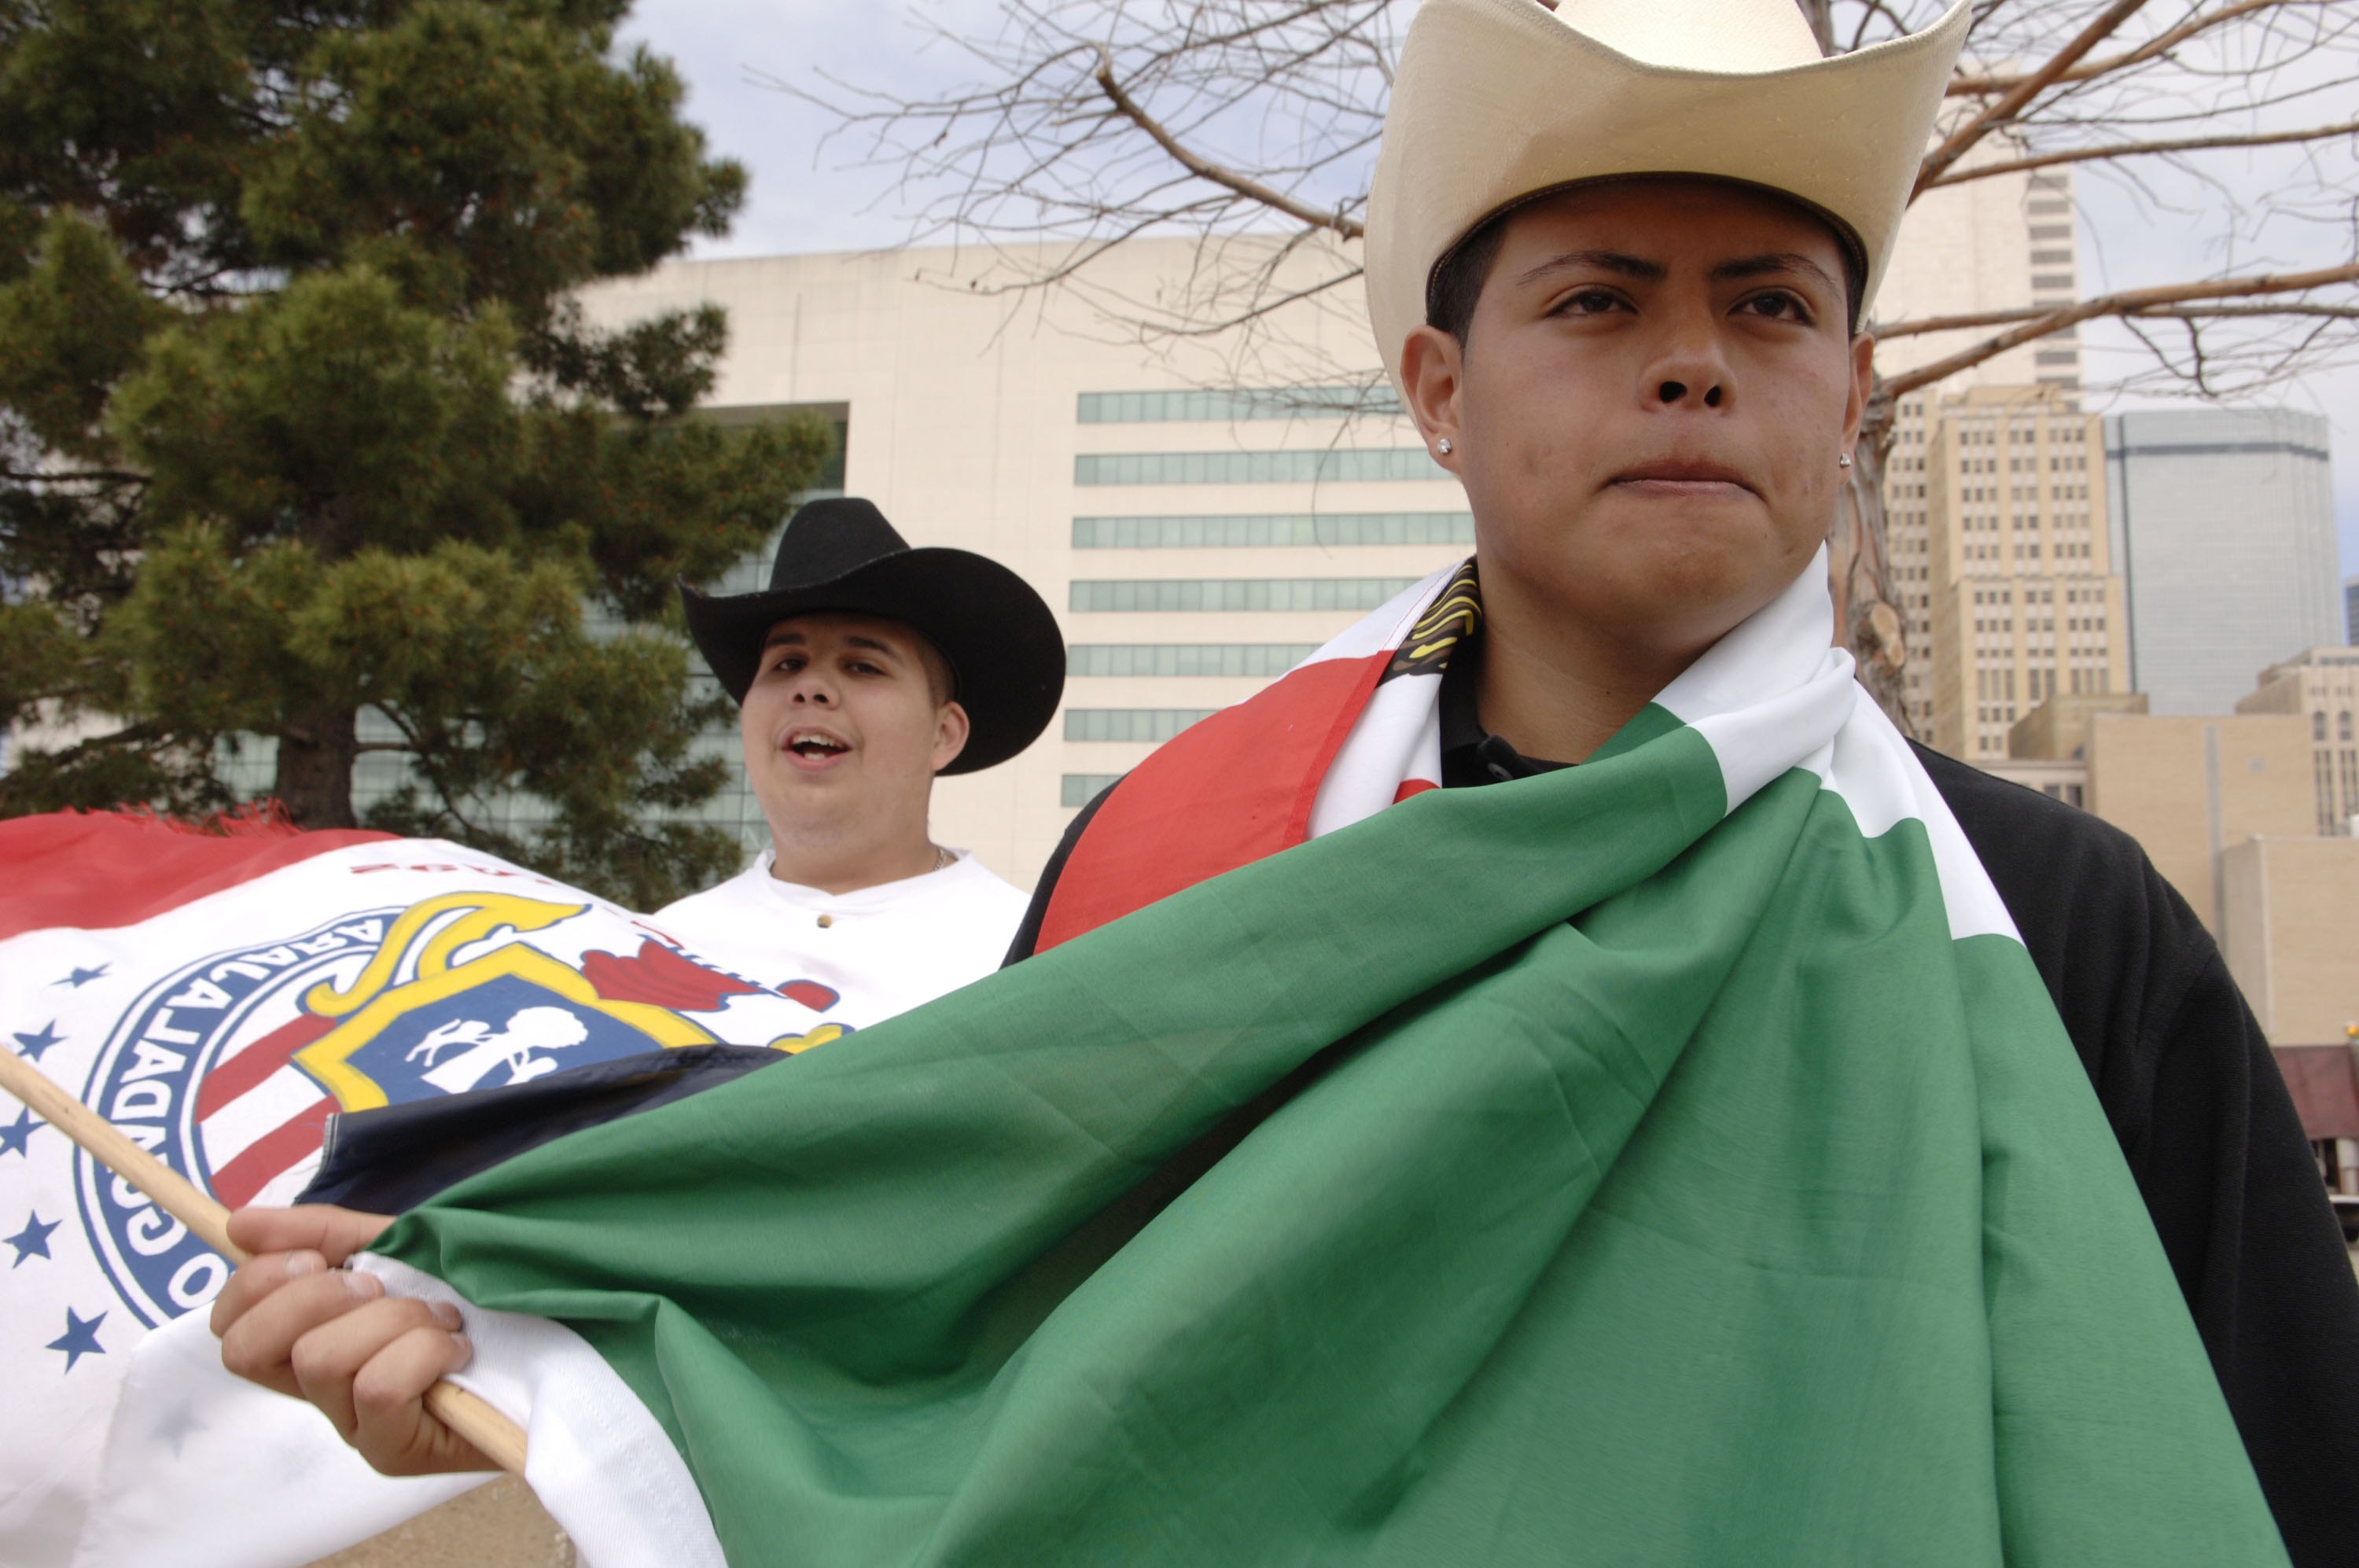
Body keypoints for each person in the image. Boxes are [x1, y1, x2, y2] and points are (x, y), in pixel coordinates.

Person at [215, 2, 2358, 1559]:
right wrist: (543, 1342)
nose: (1697, 357)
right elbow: (962, 1343)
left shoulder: (2060, 934)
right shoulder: (1183, 870)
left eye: (1774, 305)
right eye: (1601, 300)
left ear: (1850, 388)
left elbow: (2258, 1464)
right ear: (1439, 388)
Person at [643, 494, 1064, 1020]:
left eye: (863, 666)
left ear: (944, 734)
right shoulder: (658, 950)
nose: (811, 687)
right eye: (787, 663)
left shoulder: (1036, 959)